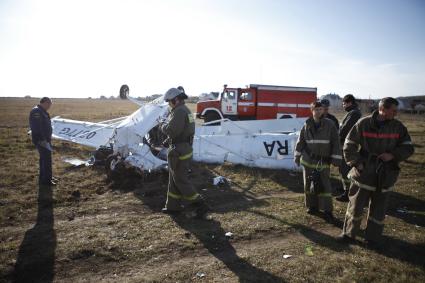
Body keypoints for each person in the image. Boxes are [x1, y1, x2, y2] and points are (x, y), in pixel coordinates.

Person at [338, 97, 414, 246]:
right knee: (355, 205)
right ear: (383, 109)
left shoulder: (398, 127)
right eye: (393, 110)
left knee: (379, 209)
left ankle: (372, 238)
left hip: (386, 174)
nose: (396, 113)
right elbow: (349, 145)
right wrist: (357, 163)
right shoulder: (364, 123)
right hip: (364, 172)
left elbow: (408, 148)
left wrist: (392, 155)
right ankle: (348, 234)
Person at [160, 88, 207, 217]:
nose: (169, 104)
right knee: (174, 179)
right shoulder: (184, 110)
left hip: (179, 151)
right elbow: (180, 131)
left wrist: (162, 125)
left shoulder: (179, 112)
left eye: (169, 101)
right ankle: (172, 206)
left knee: (180, 180)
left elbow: (172, 130)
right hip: (183, 148)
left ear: (175, 100)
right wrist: (167, 141)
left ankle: (198, 203)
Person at [294, 101, 342, 221]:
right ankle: (312, 206)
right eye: (316, 109)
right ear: (312, 111)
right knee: (309, 185)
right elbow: (301, 141)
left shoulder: (330, 124)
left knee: (325, 186)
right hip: (307, 160)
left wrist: (336, 159)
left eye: (321, 109)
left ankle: (327, 210)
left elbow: (336, 142)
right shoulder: (307, 124)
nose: (319, 111)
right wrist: (297, 156)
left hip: (323, 162)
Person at [336, 94, 362, 202]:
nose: (343, 106)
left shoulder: (354, 113)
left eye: (344, 103)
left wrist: (337, 138)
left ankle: (348, 192)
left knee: (345, 168)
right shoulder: (352, 113)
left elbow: (345, 129)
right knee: (343, 168)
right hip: (346, 144)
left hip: (347, 145)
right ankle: (345, 188)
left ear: (349, 102)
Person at [29, 97, 57, 186]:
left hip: (45, 139)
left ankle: (45, 177)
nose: (49, 106)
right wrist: (43, 140)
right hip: (41, 140)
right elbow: (37, 127)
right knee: (47, 160)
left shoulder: (42, 111)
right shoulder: (36, 112)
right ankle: (46, 181)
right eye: (49, 104)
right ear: (44, 102)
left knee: (44, 159)